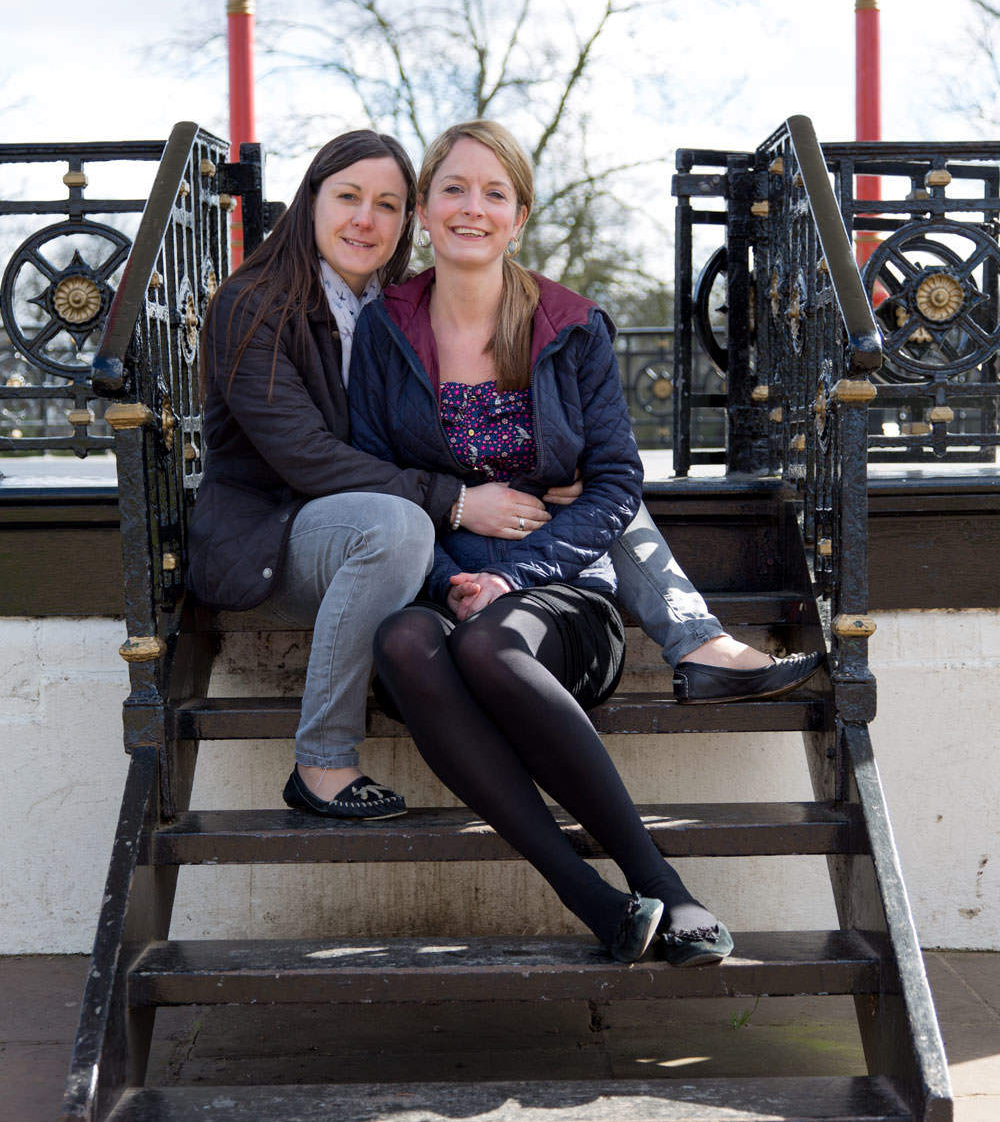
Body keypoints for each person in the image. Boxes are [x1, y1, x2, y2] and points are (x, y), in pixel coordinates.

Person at [348, 119, 742, 965]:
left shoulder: (570, 324)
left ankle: (658, 882)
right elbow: (375, 475)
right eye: (453, 188)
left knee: (491, 643)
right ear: (423, 208)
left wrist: (514, 573)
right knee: (403, 641)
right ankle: (590, 897)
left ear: (519, 216)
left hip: (562, 600)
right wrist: (454, 550)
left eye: (495, 193)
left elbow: (614, 483)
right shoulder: (385, 329)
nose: (472, 209)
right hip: (432, 581)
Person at [187, 129, 557, 821]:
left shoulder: (400, 306)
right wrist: (454, 502)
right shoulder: (253, 303)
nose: (366, 219)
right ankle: (322, 763)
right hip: (273, 538)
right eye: (349, 197)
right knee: (395, 527)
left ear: (407, 218)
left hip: (395, 537)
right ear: (311, 201)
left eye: (387, 204)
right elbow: (304, 455)